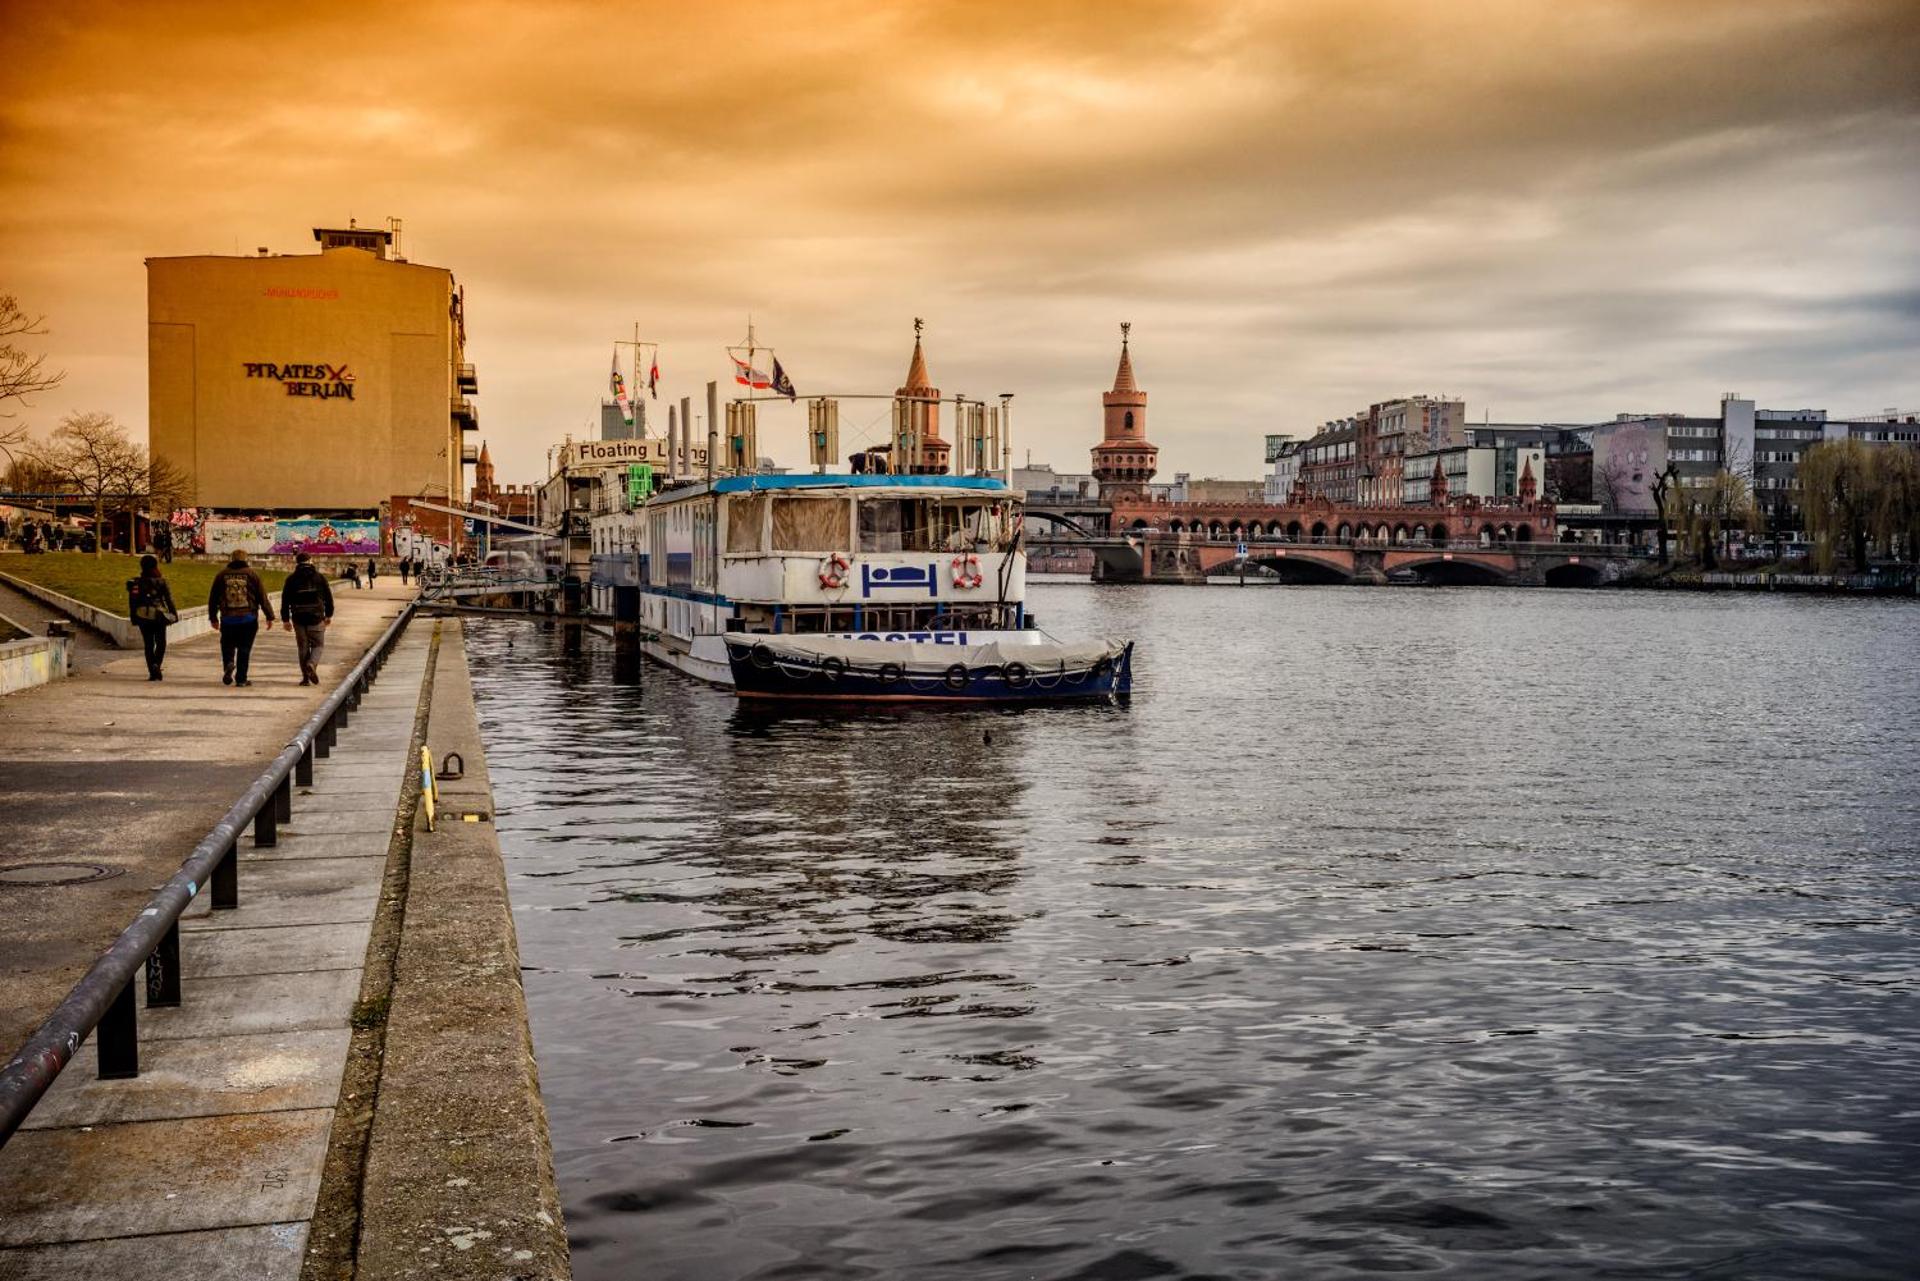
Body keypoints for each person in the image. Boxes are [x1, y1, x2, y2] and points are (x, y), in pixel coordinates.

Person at [208, 547, 275, 686]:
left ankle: (229, 663)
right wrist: (269, 616)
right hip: (248, 618)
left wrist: (213, 618)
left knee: (227, 645)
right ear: (246, 559)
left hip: (227, 618)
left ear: (231, 559)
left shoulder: (222, 575)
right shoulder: (252, 574)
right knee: (244, 648)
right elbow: (262, 597)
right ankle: (241, 679)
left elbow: (213, 598)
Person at [280, 552, 335, 686]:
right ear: (310, 561)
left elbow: (285, 601)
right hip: (316, 617)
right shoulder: (319, 578)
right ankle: (312, 664)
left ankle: (305, 678)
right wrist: (329, 615)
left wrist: (285, 619)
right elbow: (328, 598)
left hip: (298, 618)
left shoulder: (291, 579)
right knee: (318, 645)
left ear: (297, 563)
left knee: (302, 647)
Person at [126, 554, 178, 681]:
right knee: (161, 642)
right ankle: (157, 665)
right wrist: (174, 614)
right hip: (159, 616)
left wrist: (134, 617)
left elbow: (132, 602)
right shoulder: (162, 581)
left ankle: (152, 671)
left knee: (148, 644)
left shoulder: (136, 582)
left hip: (143, 616)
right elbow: (169, 600)